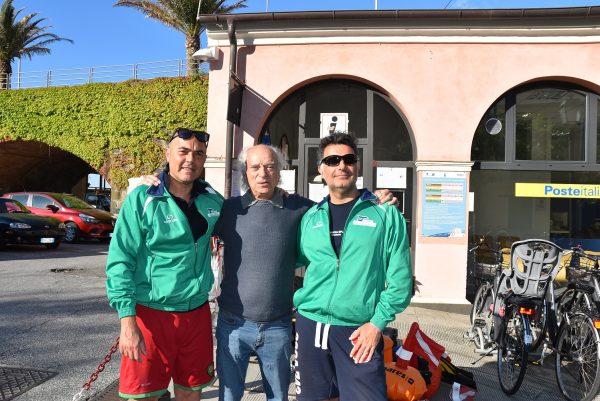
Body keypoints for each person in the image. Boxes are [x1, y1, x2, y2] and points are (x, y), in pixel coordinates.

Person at [137, 143, 396, 401]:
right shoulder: (227, 210)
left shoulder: (302, 209)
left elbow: (341, 210)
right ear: (245, 173)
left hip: (278, 327)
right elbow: (188, 212)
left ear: (279, 171)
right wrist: (161, 180)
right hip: (232, 325)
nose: (263, 173)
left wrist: (373, 199)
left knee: (278, 397)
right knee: (229, 396)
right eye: (255, 167)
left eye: (270, 166)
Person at [293, 132, 413, 401]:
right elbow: (295, 259)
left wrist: (377, 324)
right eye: (333, 160)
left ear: (357, 166)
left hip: (359, 330)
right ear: (321, 169)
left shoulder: (384, 212)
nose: (341, 166)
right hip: (311, 324)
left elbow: (401, 279)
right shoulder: (311, 217)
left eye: (348, 159)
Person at [106, 128, 223, 401]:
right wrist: (127, 322)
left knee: (191, 393)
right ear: (168, 154)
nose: (190, 159)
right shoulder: (142, 199)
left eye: (198, 154)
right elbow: (120, 260)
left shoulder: (212, 200)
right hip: (151, 314)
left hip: (196, 314)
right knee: (143, 396)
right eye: (182, 151)